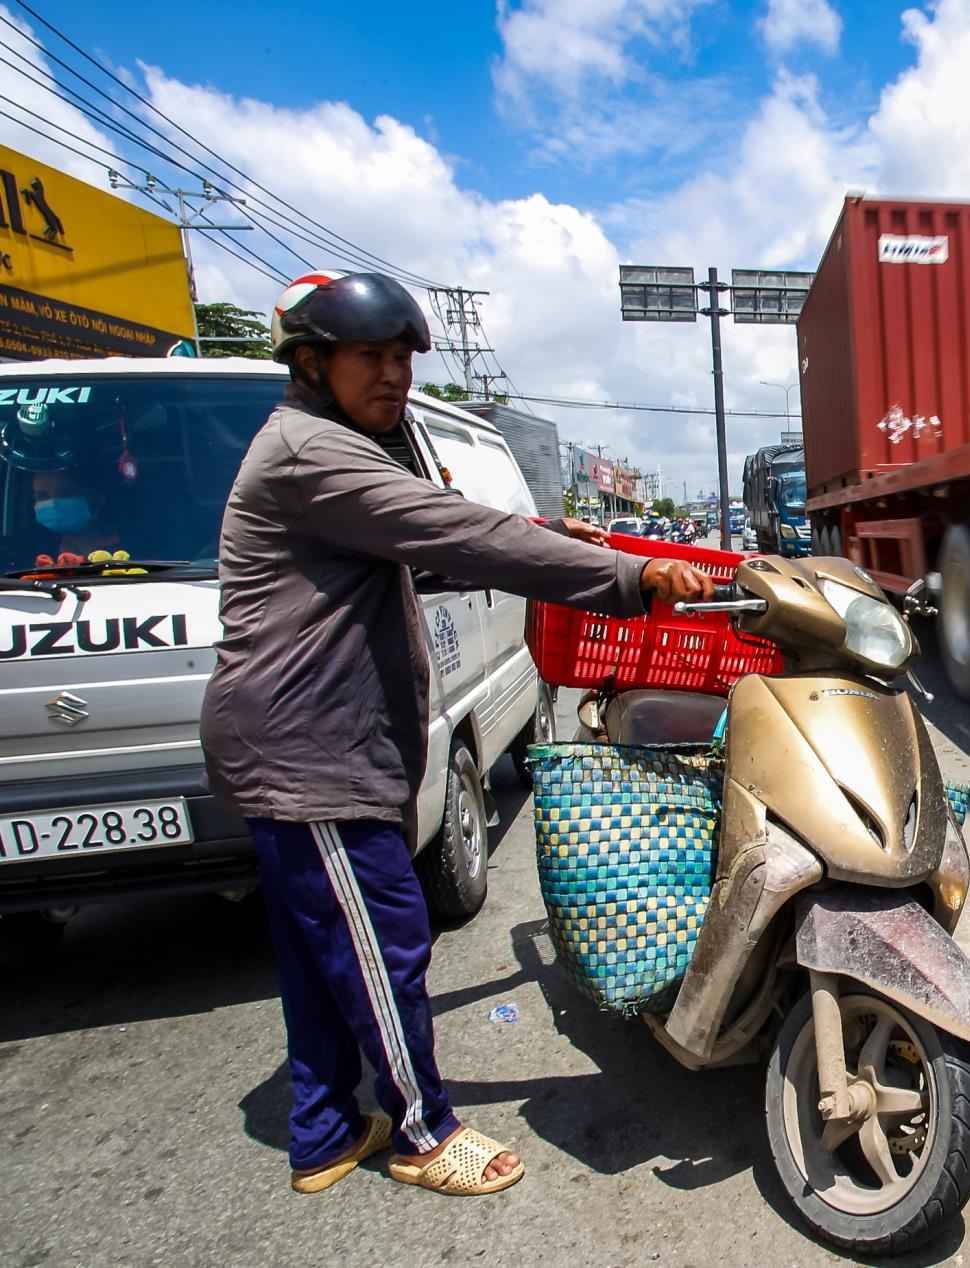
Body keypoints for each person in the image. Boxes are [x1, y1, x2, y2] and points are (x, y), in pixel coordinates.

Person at [201, 270, 715, 1197]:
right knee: (384, 937)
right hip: (308, 753)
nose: (395, 375)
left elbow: (431, 553)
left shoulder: (323, 451)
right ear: (311, 363)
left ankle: (321, 1131)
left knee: (324, 952)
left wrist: (561, 541)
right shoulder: (314, 453)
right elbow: (457, 534)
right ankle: (421, 1131)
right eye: (373, 357)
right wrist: (629, 576)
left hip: (291, 746)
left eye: (403, 358)